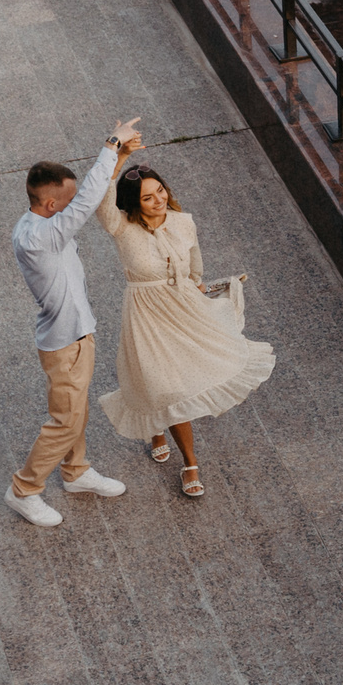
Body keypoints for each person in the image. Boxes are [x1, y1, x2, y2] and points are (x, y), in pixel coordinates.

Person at [94, 162, 275, 497]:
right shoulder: (122, 226)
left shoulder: (183, 222)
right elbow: (101, 201)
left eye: (160, 191)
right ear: (134, 203)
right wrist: (115, 157)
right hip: (146, 311)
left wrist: (200, 287)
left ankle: (167, 437)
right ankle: (189, 461)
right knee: (162, 383)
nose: (158, 200)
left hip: (184, 306)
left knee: (188, 375)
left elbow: (195, 263)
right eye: (147, 198)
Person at [5, 117, 143, 527]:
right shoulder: (37, 236)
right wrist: (110, 144)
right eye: (65, 203)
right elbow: (84, 203)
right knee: (64, 421)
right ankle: (23, 490)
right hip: (63, 344)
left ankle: (76, 472)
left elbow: (87, 195)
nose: (74, 206)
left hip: (78, 335)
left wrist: (117, 160)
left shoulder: (47, 224)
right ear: (50, 206)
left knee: (76, 412)